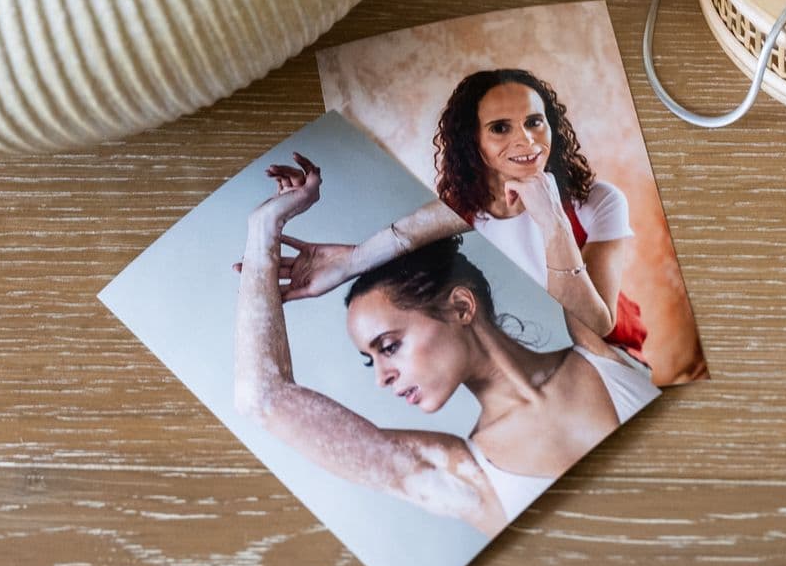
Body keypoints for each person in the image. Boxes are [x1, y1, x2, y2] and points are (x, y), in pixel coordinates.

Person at [234, 153, 658, 534]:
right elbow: (263, 397)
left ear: (460, 306)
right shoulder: (463, 475)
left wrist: (361, 258)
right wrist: (263, 230)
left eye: (388, 346)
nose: (383, 378)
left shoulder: (595, 338)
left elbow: (509, 192)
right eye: (370, 360)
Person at [268, 69, 650, 361]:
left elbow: (596, 326)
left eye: (535, 121)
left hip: (615, 361)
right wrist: (349, 262)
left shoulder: (597, 200)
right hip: (549, 370)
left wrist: (553, 222)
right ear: (473, 143)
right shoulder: (463, 212)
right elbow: (406, 236)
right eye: (500, 128)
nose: (528, 140)